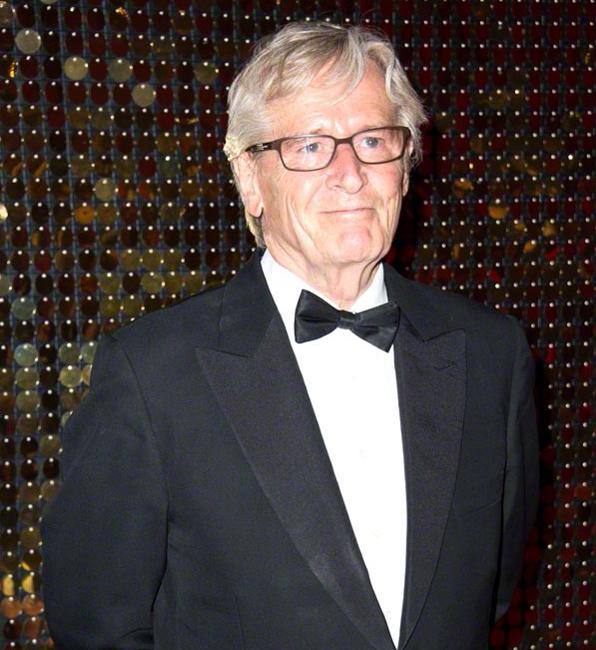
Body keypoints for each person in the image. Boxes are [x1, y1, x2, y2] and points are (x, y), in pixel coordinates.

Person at [41, 21, 539, 650]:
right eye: (310, 145)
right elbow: (97, 626)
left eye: (373, 140)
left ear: (406, 166)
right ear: (250, 180)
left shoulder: (492, 354)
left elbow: (486, 592)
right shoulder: (151, 374)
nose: (350, 174)